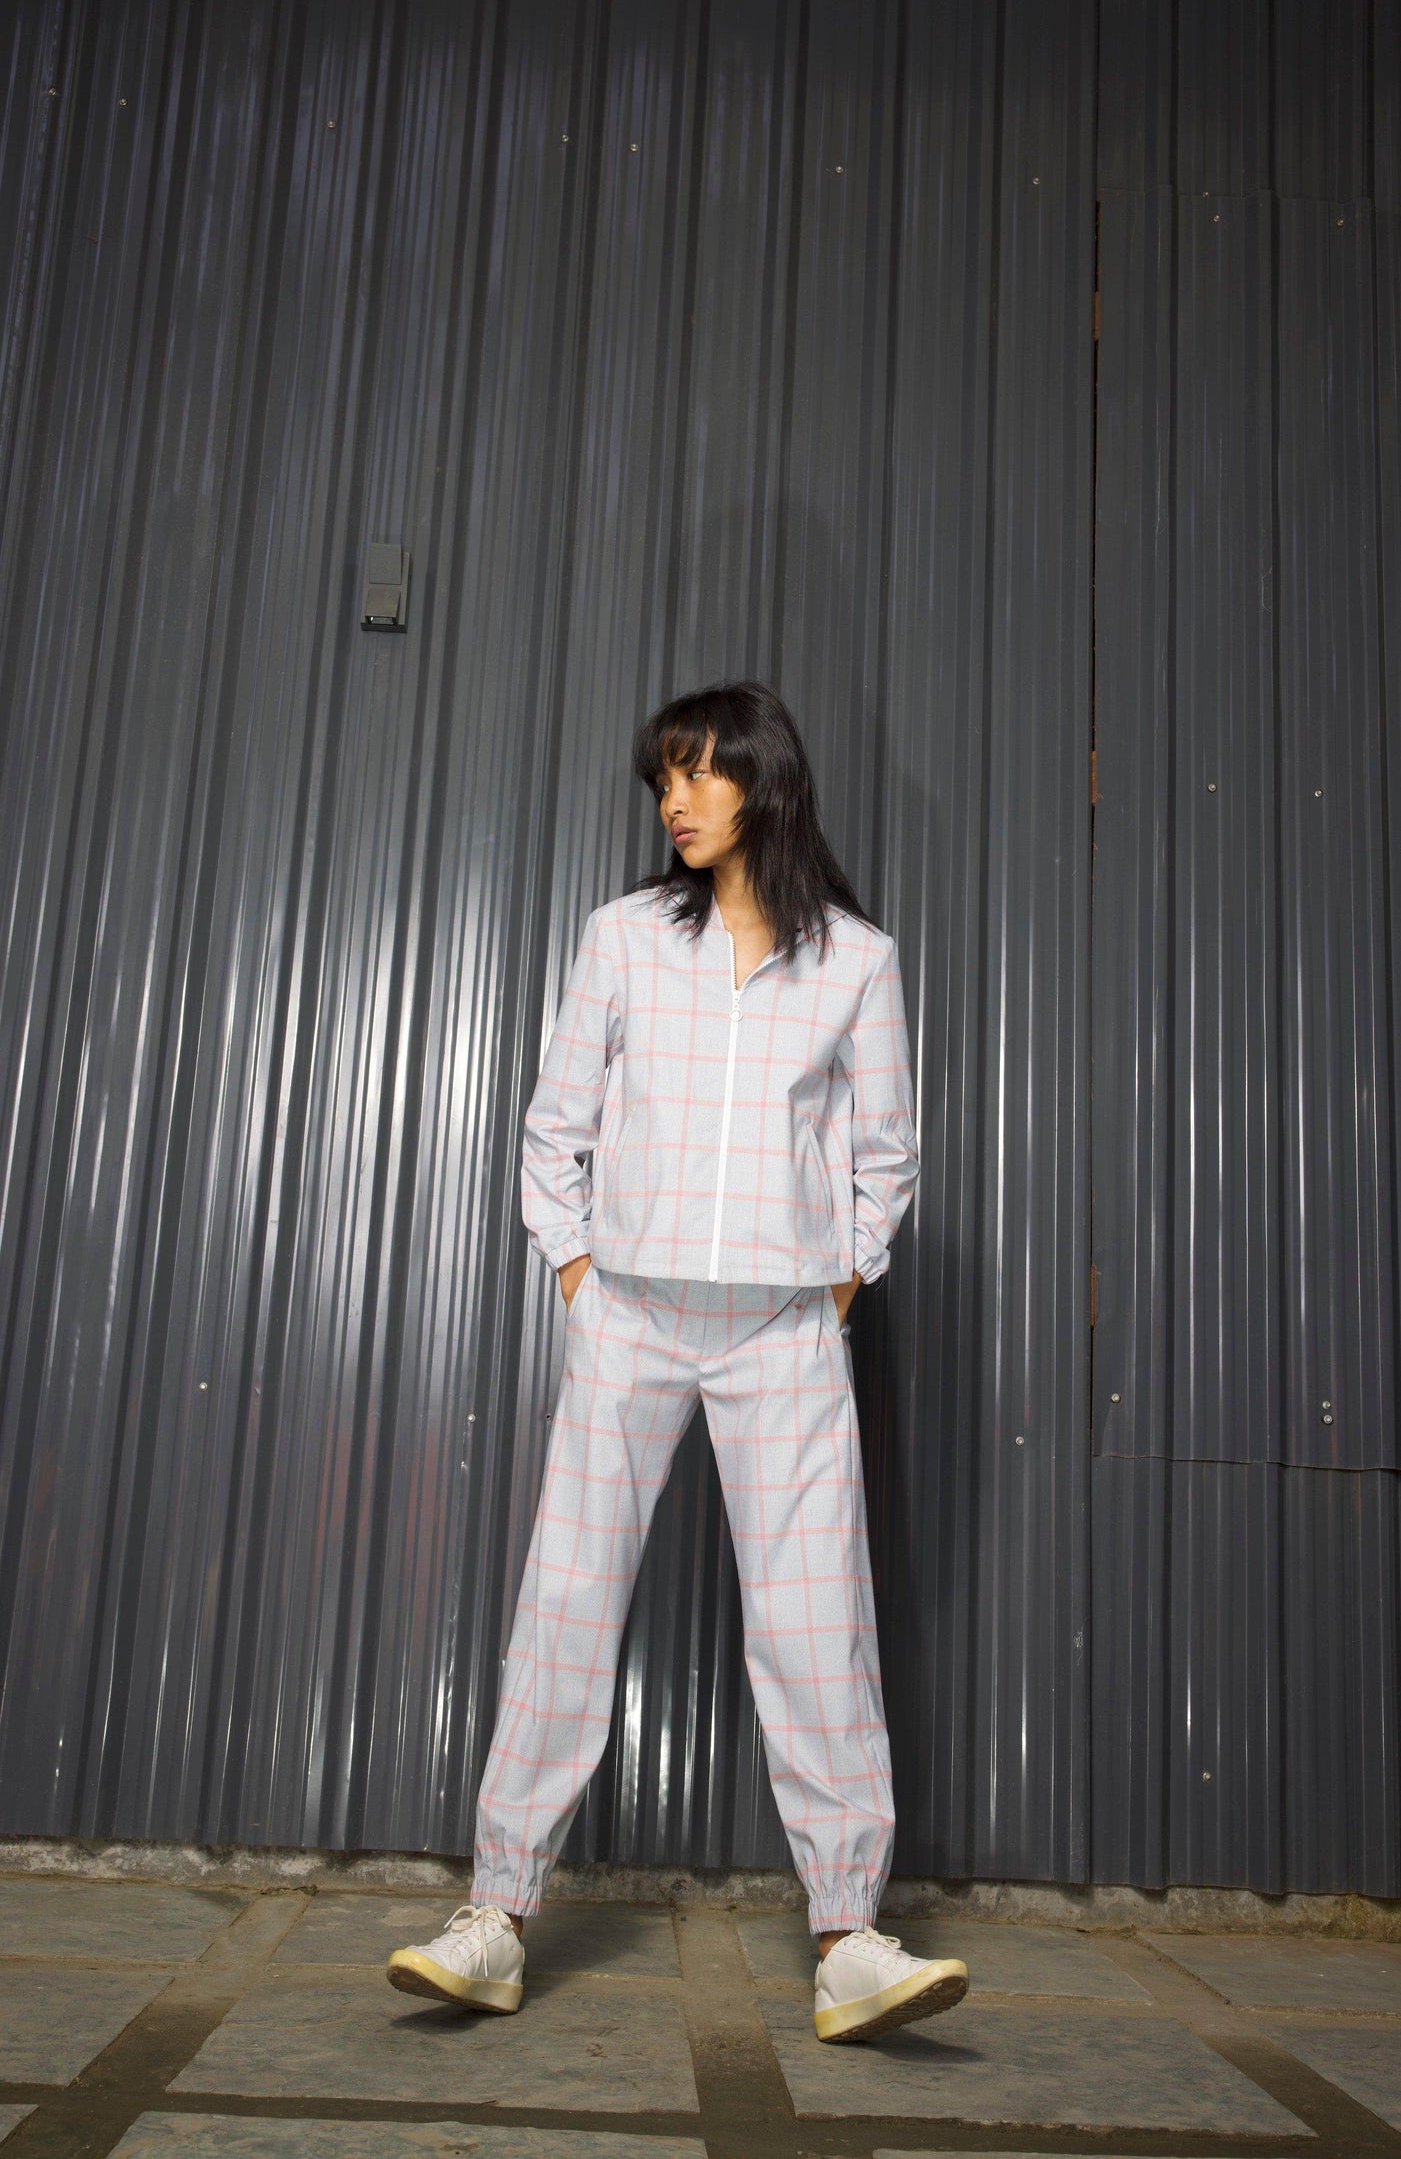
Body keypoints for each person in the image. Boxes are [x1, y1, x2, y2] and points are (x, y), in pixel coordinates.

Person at [387, 680, 967, 2044]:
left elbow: (885, 1156)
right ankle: (494, 1916)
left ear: (765, 780)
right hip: (632, 1318)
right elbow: (555, 1126)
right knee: (566, 1605)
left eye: (699, 772)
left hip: (781, 1333)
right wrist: (578, 1272)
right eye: (663, 779)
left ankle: (848, 1939)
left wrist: (835, 1281)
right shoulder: (625, 937)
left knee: (816, 1627)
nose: (675, 799)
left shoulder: (856, 962)